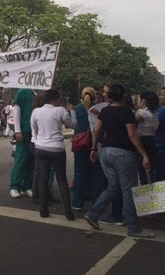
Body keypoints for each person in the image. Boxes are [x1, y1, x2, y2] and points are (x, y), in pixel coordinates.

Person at [84, 83, 154, 238]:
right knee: (128, 190)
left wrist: (94, 149)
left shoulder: (105, 111)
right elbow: (132, 135)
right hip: (123, 153)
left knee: (113, 186)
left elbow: (97, 130)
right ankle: (134, 228)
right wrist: (144, 154)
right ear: (123, 96)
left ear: (109, 96)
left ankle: (93, 213)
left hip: (106, 152)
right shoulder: (127, 112)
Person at [30, 88, 74, 220]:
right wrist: (71, 112)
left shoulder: (36, 111)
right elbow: (72, 124)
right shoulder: (60, 110)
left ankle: (43, 209)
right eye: (59, 98)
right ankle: (68, 212)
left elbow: (35, 129)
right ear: (54, 99)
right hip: (57, 149)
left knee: (43, 178)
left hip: (41, 147)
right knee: (61, 180)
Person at [71, 87, 105, 211]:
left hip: (80, 144)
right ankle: (98, 202)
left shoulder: (76, 109)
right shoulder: (100, 108)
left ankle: (77, 203)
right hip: (96, 143)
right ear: (94, 96)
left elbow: (73, 125)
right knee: (97, 174)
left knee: (80, 173)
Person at [9, 88, 36, 198]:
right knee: (21, 159)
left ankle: (27, 186)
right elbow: (16, 109)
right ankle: (15, 186)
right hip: (24, 131)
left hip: (36, 133)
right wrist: (18, 130)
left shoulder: (41, 91)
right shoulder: (23, 91)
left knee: (32, 160)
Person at [135, 91, 159, 185]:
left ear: (143, 101)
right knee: (151, 170)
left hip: (142, 142)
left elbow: (131, 122)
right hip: (152, 141)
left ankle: (146, 196)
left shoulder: (142, 112)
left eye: (138, 99)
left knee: (143, 171)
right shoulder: (154, 114)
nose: (137, 101)